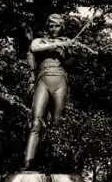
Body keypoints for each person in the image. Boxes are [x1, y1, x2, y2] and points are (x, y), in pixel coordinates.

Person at [23, 14, 75, 170]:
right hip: (43, 81)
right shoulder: (40, 41)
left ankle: (57, 161)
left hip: (60, 81)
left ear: (62, 27)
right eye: (51, 26)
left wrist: (67, 52)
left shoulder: (67, 42)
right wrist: (55, 46)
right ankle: (29, 160)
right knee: (36, 121)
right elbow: (34, 48)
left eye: (57, 26)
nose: (53, 29)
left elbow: (70, 65)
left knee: (58, 123)